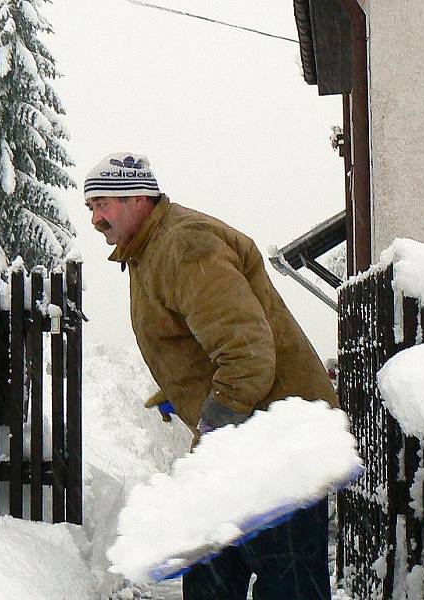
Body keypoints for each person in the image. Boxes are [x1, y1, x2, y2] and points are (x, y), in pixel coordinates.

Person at [84, 152, 339, 600]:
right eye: (91, 207)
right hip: (249, 432)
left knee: (286, 580)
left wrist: (213, 424)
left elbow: (246, 350)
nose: (96, 219)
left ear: (139, 197)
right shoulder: (151, 250)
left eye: (103, 203)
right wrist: (178, 389)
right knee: (212, 576)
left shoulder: (184, 244)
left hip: (274, 438)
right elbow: (203, 338)